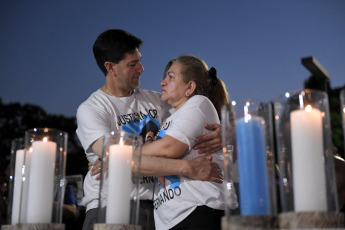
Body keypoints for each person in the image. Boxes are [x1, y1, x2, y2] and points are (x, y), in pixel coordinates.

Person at [76, 29, 223, 230]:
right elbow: (119, 161)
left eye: (140, 60)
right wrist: (187, 168)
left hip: (156, 209)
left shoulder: (157, 101)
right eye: (132, 64)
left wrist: (224, 134)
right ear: (111, 67)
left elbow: (194, 118)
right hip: (110, 206)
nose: (142, 68)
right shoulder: (91, 109)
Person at [140, 55, 228, 230]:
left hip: (197, 211)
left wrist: (118, 155)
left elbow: (168, 148)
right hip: (172, 219)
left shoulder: (198, 104)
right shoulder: (171, 120)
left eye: (170, 77)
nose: (162, 83)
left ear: (190, 87)